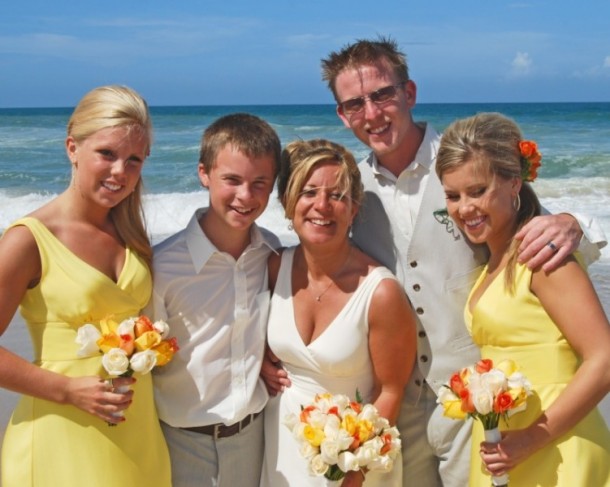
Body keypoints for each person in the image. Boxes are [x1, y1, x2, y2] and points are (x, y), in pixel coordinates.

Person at [312, 37, 607, 486]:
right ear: (342, 114)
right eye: (355, 104)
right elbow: (323, 263)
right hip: (400, 403)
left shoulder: (466, 162)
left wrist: (573, 222)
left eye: (381, 95)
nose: (371, 114)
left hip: (480, 401)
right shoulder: (352, 189)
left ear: (409, 93)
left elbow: (536, 231)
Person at [0, 85, 172, 486]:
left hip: (137, 434)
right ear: (72, 148)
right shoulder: (27, 240)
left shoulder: (131, 233)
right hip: (60, 435)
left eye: (134, 160)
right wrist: (66, 390)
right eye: (107, 154)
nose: (120, 172)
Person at [436, 111, 610, 486]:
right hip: (507, 447)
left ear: (514, 183)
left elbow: (605, 359)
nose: (464, 208)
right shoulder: (493, 262)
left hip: (558, 446)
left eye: (477, 191)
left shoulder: (543, 256)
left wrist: (533, 438)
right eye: (453, 195)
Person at [260, 139, 417, 487]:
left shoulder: (380, 292)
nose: (322, 205)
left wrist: (354, 472)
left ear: (354, 209)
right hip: (283, 449)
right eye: (309, 191)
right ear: (288, 201)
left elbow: (390, 390)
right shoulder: (273, 267)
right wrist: (257, 362)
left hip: (353, 458)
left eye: (338, 196)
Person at [149, 113, 281, 487]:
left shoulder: (272, 253)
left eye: (260, 183)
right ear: (204, 173)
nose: (245, 196)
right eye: (232, 180)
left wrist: (268, 354)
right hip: (180, 440)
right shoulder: (162, 266)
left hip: (254, 436)